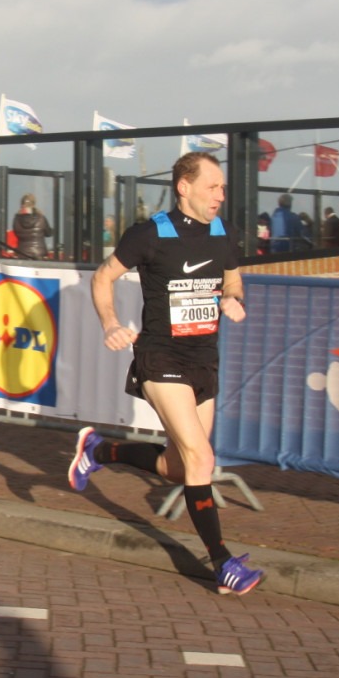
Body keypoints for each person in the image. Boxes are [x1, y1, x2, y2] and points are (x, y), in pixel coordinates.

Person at [71, 151, 262, 595]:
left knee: (179, 467)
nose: (220, 195)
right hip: (161, 359)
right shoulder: (150, 234)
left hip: (203, 360)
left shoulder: (224, 232)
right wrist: (111, 324)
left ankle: (100, 451)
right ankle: (222, 564)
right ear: (184, 187)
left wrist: (233, 299)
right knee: (203, 459)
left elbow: (233, 279)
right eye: (213, 186)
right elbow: (102, 278)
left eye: (222, 187)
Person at [12, 193, 52, 259]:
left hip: (22, 253)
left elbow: (16, 232)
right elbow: (48, 233)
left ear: (22, 204)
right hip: (39, 253)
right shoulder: (41, 217)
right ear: (34, 203)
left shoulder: (17, 218)